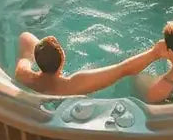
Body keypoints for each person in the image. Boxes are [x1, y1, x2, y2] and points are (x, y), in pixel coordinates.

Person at [15, 32, 162, 96]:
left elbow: (25, 37)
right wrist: (155, 53)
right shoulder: (73, 85)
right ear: (63, 59)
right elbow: (123, 69)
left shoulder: (25, 76)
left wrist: (38, 51)